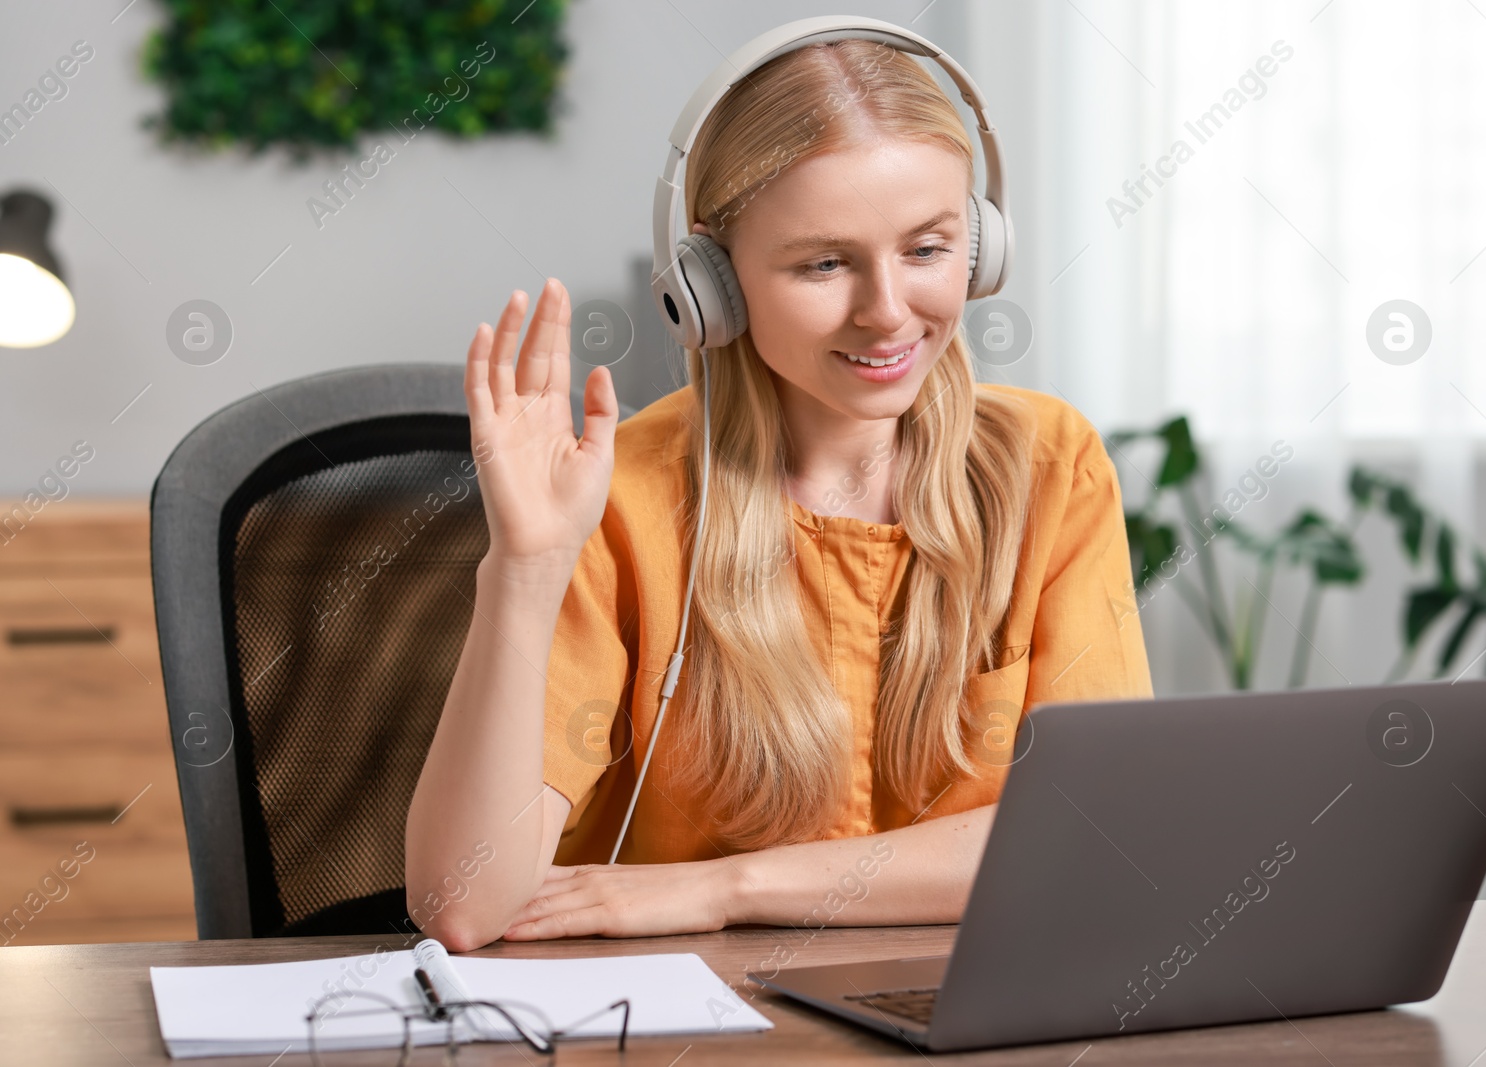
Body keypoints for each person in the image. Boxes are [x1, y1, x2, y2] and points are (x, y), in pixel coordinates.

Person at [406, 38, 1152, 953]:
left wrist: (728, 886)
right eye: (824, 265)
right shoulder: (627, 497)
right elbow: (464, 904)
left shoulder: (1050, 465)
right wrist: (524, 569)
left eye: (927, 247)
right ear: (711, 288)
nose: (887, 309)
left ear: (982, 247)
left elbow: (1094, 838)